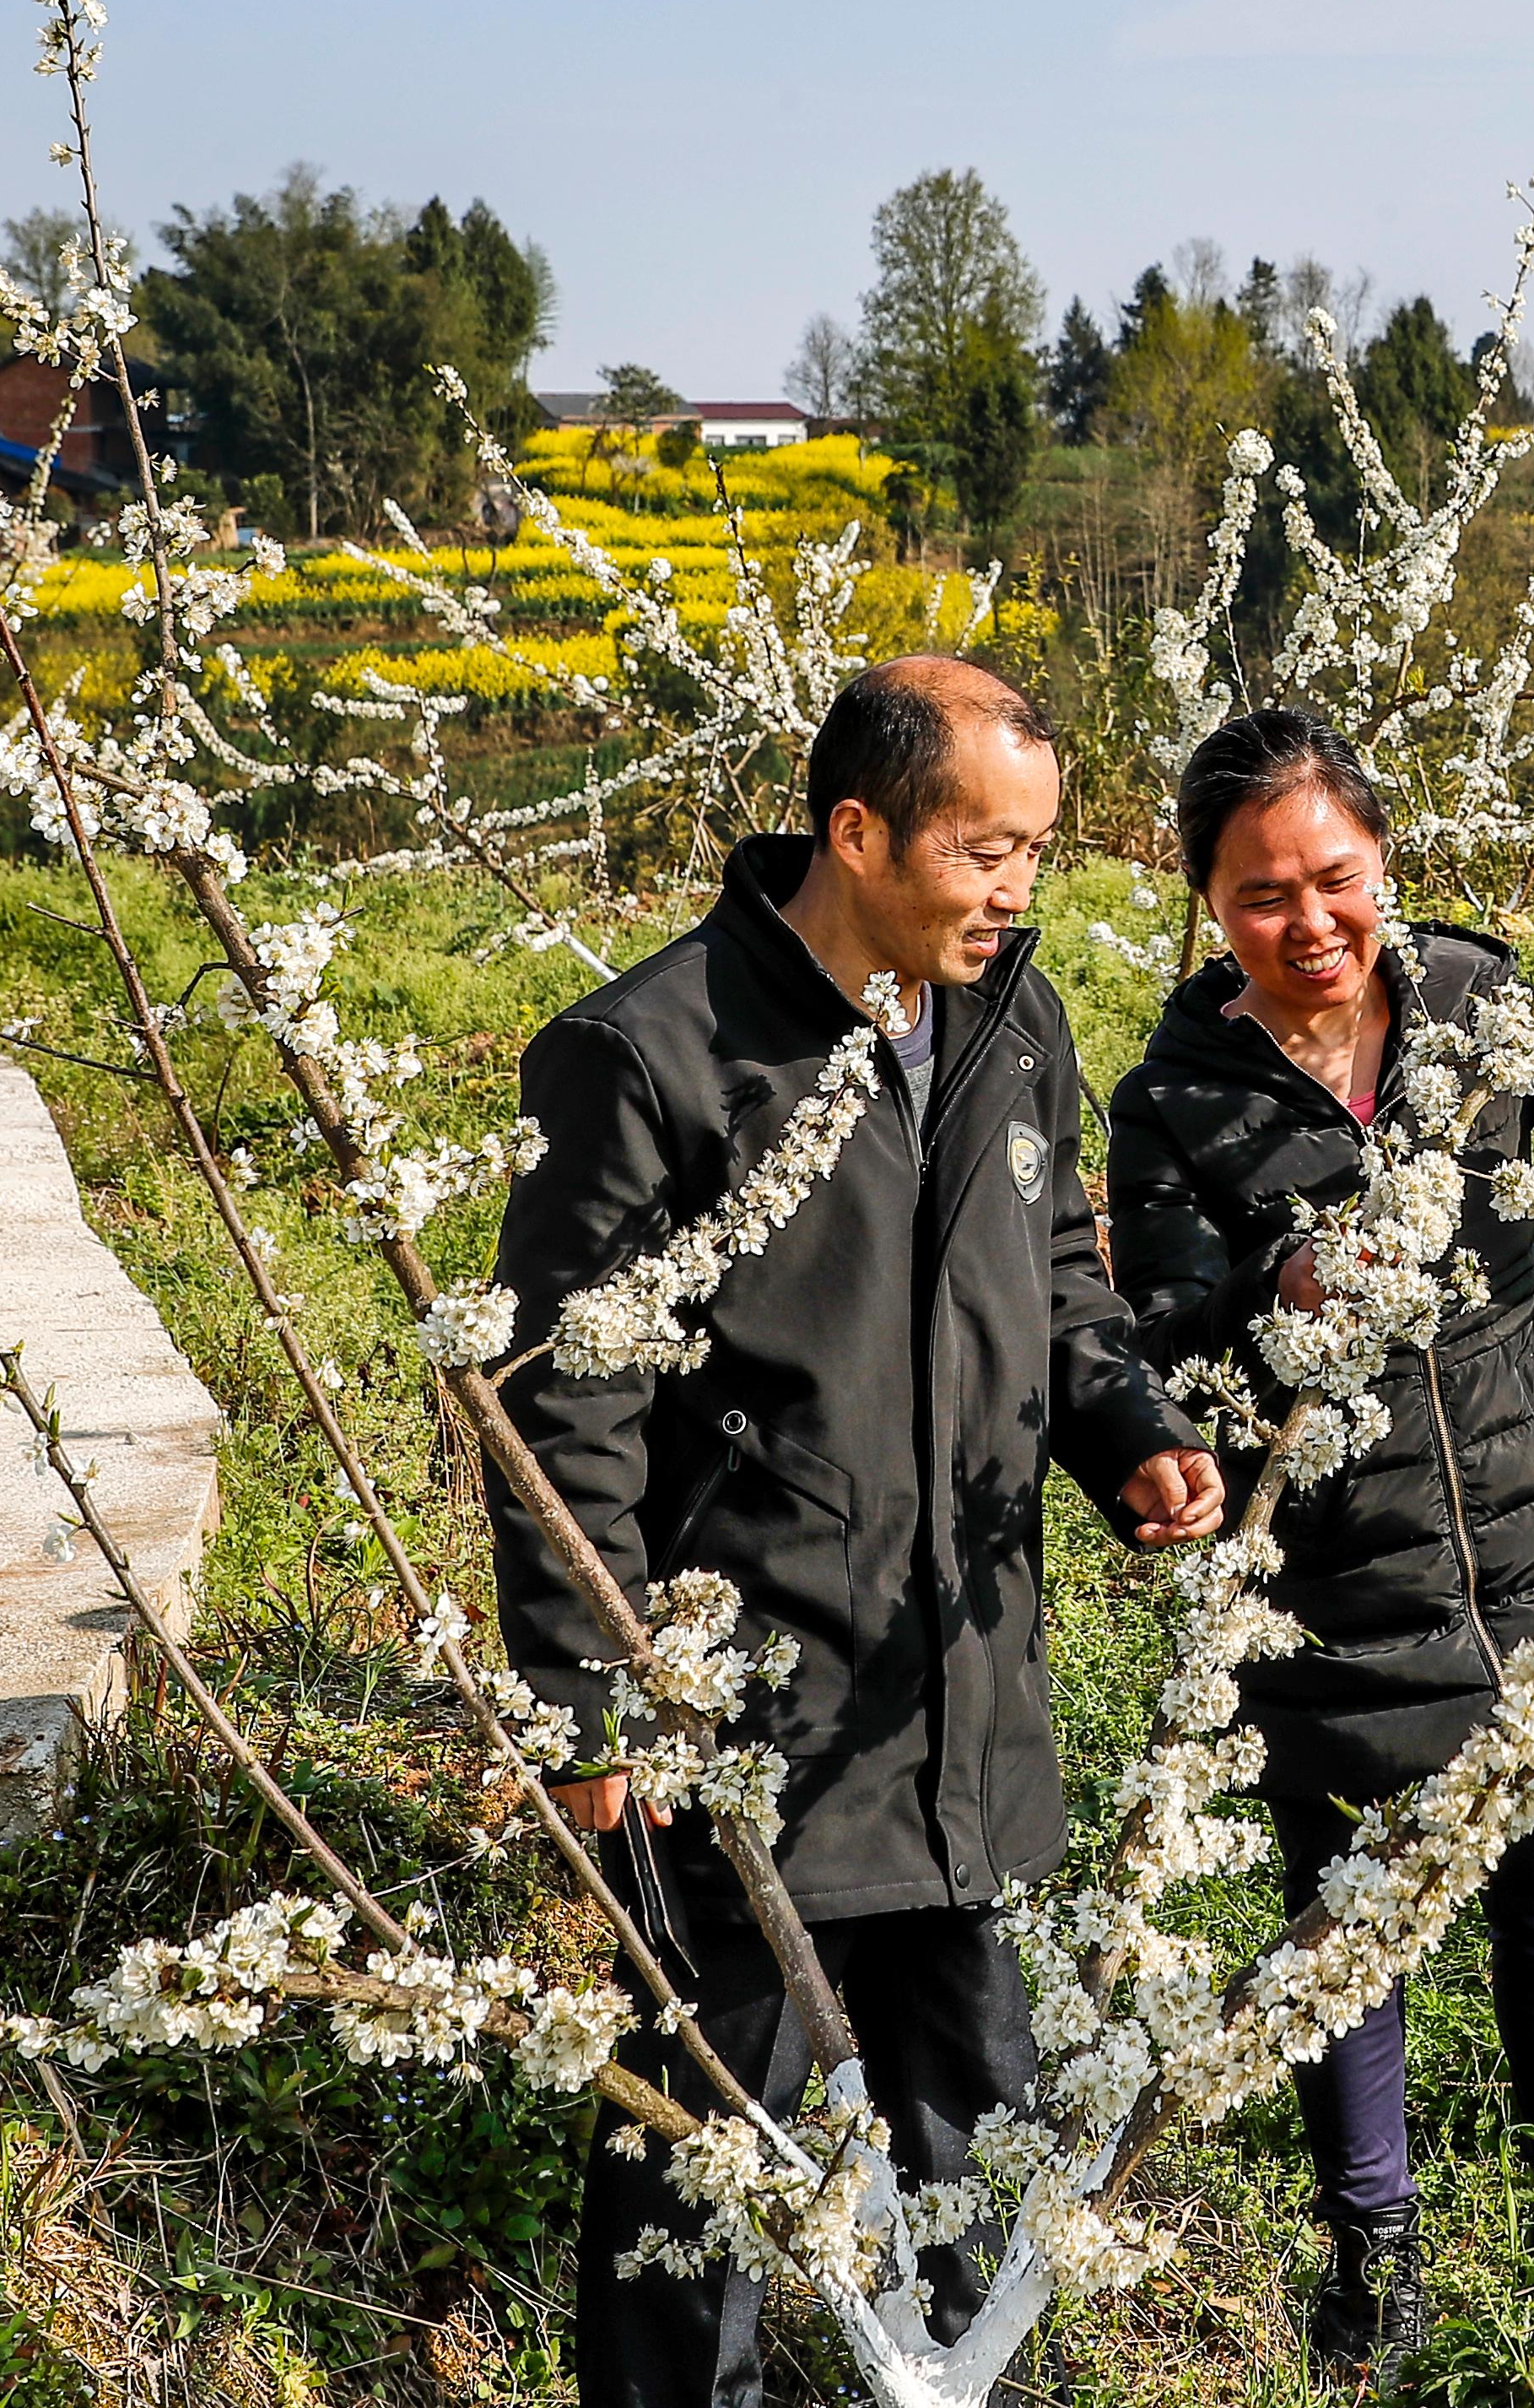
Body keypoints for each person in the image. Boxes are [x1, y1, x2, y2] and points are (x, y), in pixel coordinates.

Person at [488, 655, 1221, 2408]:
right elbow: (562, 1403)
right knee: (706, 2159)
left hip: (953, 1684)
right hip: (742, 1709)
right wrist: (594, 1700)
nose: (1017, 891)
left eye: (1036, 853)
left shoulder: (1009, 1023)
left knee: (976, 2131)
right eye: (984, 851)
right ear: (857, 832)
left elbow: (1054, 1274)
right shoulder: (651, 1056)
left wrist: (1127, 1428)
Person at [1103, 706, 1534, 2380]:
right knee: (1350, 1930)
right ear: (1209, 905)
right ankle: (1373, 2263)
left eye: (1336, 878)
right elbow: (1167, 1343)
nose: (1310, 923)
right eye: (1262, 896)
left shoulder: (1472, 1000)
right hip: (1334, 1584)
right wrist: (1278, 1289)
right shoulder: (1176, 1101)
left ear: (1384, 863)